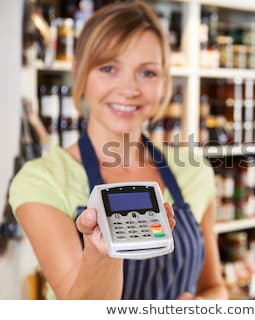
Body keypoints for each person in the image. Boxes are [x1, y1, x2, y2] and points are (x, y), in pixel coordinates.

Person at [9, 1, 228, 300]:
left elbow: (214, 287)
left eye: (148, 73)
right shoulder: (42, 181)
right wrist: (102, 253)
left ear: (164, 82)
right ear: (80, 74)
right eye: (109, 68)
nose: (129, 88)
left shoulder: (194, 170)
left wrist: (201, 307)